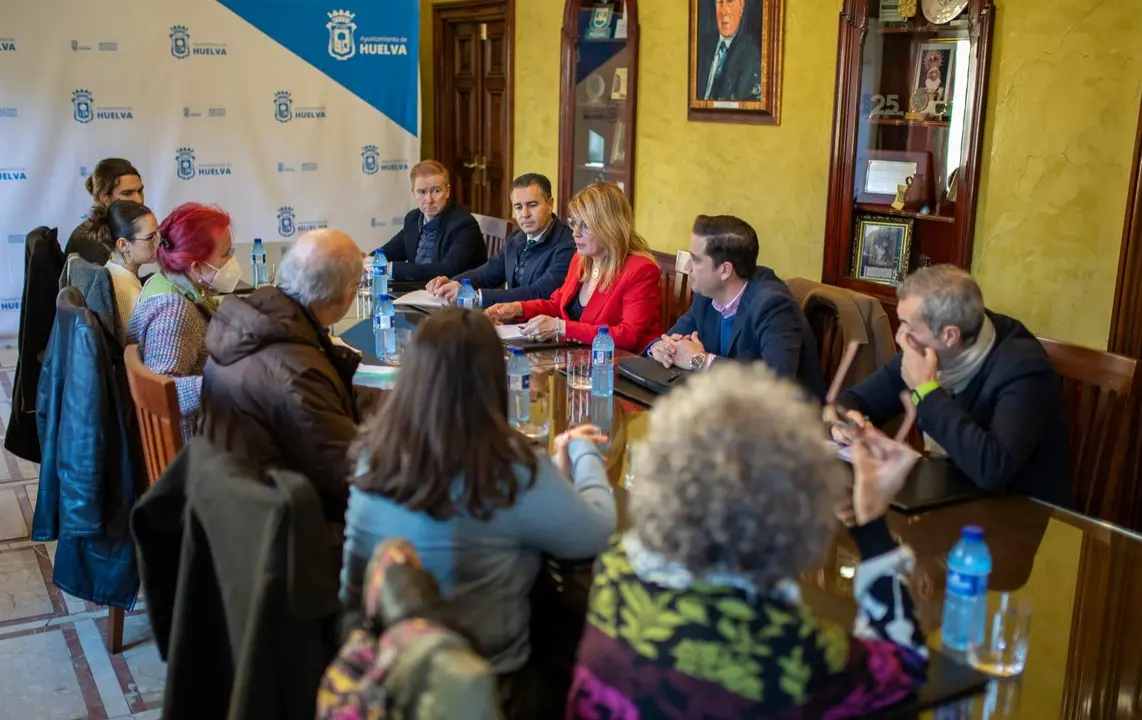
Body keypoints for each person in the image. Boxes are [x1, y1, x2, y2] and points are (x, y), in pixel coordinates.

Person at [567, 364, 928, 717]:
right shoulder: (782, 652)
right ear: (796, 519)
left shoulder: (617, 569)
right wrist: (872, 522)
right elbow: (903, 665)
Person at [341, 307, 616, 716]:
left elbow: (352, 585)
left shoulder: (373, 453)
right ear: (494, 380)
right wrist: (583, 450)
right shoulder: (509, 469)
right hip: (491, 682)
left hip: (389, 670)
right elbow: (598, 530)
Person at [831, 264, 1070, 506]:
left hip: (1020, 516)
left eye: (908, 326)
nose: (899, 337)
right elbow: (854, 400)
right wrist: (849, 420)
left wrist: (926, 391)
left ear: (949, 336)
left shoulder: (1024, 369)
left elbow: (992, 470)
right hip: (947, 497)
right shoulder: (929, 347)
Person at [200, 229, 363, 524]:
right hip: (289, 535)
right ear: (347, 293)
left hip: (232, 514)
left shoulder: (251, 317)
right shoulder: (297, 372)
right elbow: (355, 476)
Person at [647, 214, 826, 400]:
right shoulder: (706, 295)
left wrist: (701, 361)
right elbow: (673, 337)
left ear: (725, 270)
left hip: (786, 421)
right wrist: (661, 349)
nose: (687, 266)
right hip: (729, 409)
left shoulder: (774, 306)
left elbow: (776, 386)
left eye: (696, 259)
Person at [485, 183, 661, 353]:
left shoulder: (641, 270)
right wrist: (518, 308)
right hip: (576, 360)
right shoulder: (581, 259)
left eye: (585, 226)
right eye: (573, 223)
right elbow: (557, 304)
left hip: (615, 368)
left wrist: (562, 328)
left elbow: (628, 336)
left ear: (610, 227)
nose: (575, 233)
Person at [127, 202, 236, 441]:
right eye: (226, 253)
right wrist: (230, 382)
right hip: (196, 449)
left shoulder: (168, 281)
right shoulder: (173, 311)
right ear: (196, 266)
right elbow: (163, 392)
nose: (231, 260)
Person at [425, 173, 574, 307]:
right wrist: (454, 282)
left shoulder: (567, 244)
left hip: (542, 329)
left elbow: (539, 292)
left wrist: (476, 296)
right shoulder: (516, 238)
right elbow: (488, 272)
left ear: (550, 205)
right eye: (518, 207)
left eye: (532, 205)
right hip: (512, 321)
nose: (525, 214)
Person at [378, 160, 485, 282]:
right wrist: (369, 261)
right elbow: (388, 252)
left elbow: (448, 270)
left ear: (447, 191)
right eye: (422, 192)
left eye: (436, 191)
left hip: (456, 296)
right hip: (419, 292)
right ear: (413, 193)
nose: (429, 200)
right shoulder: (413, 219)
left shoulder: (463, 225)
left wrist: (392, 270)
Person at [85, 200, 158, 335]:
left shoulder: (111, 270)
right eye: (151, 238)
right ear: (123, 245)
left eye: (158, 234)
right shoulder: (129, 293)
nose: (158, 242)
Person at [66, 158, 145, 265]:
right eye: (127, 193)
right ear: (104, 198)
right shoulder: (91, 239)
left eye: (140, 191)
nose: (139, 200)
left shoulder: (115, 228)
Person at [697, 0, 762, 102]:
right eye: (720, 2)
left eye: (730, 1)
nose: (724, 11)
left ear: (742, 5)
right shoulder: (703, 45)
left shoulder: (751, 57)